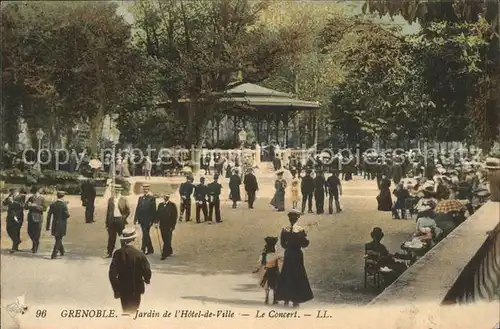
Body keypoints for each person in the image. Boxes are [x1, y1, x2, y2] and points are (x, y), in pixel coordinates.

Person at [274, 209, 314, 307]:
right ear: (297, 218)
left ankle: (286, 298)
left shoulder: (285, 229)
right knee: (298, 275)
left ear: (289, 219)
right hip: (297, 255)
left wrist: (289, 245)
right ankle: (296, 299)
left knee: (286, 274)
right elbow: (304, 244)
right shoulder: (300, 230)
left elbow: (283, 244)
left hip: (289, 254)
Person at [109, 227, 152, 314]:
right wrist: (147, 280)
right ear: (134, 240)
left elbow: (112, 274)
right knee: (134, 310)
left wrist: (117, 288)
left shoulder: (118, 254)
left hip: (123, 289)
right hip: (136, 288)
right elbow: (147, 271)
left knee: (126, 311)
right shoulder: (139, 254)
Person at [253, 236, 281, 305]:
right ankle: (275, 299)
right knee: (275, 285)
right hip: (274, 271)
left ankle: (267, 297)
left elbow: (260, 263)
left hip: (267, 270)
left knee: (266, 285)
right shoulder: (276, 254)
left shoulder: (264, 255)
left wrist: (257, 269)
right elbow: (280, 261)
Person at [105, 185, 131, 258]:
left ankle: (124, 253)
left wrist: (123, 218)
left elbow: (128, 210)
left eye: (118, 190)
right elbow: (108, 212)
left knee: (122, 237)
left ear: (120, 191)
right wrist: (107, 223)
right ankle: (109, 253)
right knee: (111, 238)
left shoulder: (124, 199)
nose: (117, 192)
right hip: (112, 221)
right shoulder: (111, 199)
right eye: (116, 190)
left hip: (120, 220)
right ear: (114, 191)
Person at [46, 191, 70, 259]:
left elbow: (49, 216)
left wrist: (47, 226)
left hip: (54, 223)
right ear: (63, 196)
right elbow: (67, 215)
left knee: (57, 238)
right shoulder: (63, 205)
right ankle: (54, 253)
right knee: (59, 239)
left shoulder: (53, 204)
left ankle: (62, 250)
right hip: (61, 224)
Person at [134, 184, 157, 255]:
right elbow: (138, 208)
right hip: (141, 219)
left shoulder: (152, 198)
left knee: (145, 233)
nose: (145, 190)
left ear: (148, 190)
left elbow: (153, 211)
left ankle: (143, 249)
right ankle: (150, 249)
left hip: (148, 220)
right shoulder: (140, 198)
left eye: (146, 189)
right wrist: (135, 218)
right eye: (144, 189)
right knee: (146, 234)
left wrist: (153, 220)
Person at [154, 193, 178, 260]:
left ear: (169, 197)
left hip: (169, 226)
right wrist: (156, 222)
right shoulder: (160, 205)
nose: (166, 197)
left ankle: (164, 254)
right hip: (162, 225)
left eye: (167, 196)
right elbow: (157, 214)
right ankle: (169, 250)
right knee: (164, 239)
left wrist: (173, 226)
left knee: (167, 239)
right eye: (164, 196)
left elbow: (174, 217)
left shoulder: (172, 205)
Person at [3, 188, 26, 253]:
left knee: (16, 231)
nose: (12, 193)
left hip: (18, 216)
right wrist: (8, 199)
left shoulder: (22, 197)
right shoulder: (10, 196)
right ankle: (17, 241)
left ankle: (14, 248)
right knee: (9, 229)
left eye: (13, 192)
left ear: (16, 191)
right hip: (10, 216)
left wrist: (13, 202)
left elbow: (22, 205)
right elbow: (4, 203)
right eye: (11, 192)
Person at [25, 186, 46, 253]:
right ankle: (36, 243)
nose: (34, 195)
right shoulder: (30, 198)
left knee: (37, 233)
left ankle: (35, 247)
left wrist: (36, 206)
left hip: (38, 218)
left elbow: (45, 208)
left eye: (36, 193)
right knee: (29, 232)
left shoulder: (42, 199)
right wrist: (28, 205)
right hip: (31, 217)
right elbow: (25, 207)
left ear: (38, 192)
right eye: (34, 193)